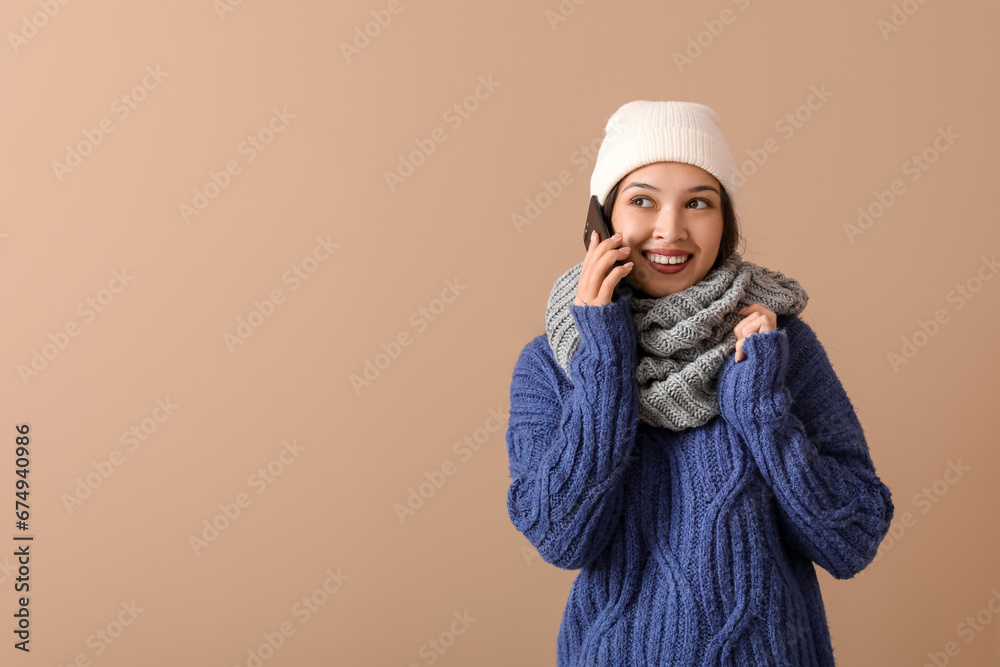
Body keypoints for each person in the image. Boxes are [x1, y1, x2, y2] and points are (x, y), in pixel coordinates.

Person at [504, 100, 894, 666]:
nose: (671, 230)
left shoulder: (778, 346)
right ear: (601, 222)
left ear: (725, 221)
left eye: (698, 203)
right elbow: (562, 536)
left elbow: (851, 539)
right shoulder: (551, 364)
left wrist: (761, 408)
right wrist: (607, 360)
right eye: (641, 201)